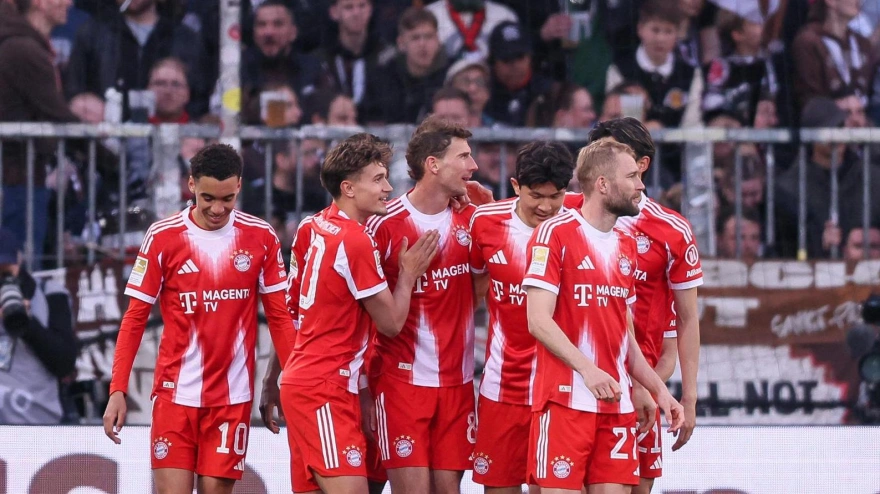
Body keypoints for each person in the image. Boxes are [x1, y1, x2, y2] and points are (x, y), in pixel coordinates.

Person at [102, 144, 296, 494]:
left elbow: (281, 318)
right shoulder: (163, 237)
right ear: (191, 184)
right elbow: (134, 319)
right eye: (208, 198)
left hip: (231, 399)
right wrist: (118, 389)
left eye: (227, 198)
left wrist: (288, 385)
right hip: (174, 396)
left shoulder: (261, 237)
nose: (217, 208)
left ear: (239, 186)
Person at [279, 133, 440, 494]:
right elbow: (391, 324)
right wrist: (409, 274)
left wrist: (275, 377)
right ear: (348, 188)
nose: (388, 188)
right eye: (378, 179)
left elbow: (293, 311)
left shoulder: (312, 225)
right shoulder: (355, 240)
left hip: (308, 381)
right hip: (325, 388)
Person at [523, 138, 684, 493]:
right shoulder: (554, 234)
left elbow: (623, 337)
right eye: (631, 176)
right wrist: (588, 370)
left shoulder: (626, 245)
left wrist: (659, 391)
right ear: (602, 184)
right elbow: (538, 320)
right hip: (565, 401)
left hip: (616, 407)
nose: (641, 185)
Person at [570, 118, 703, 494]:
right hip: (574, 382)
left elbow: (686, 321)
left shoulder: (671, 230)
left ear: (641, 165)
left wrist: (685, 397)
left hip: (640, 387)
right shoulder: (565, 215)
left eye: (611, 151)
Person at [363, 115, 479, 493]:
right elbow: (362, 311)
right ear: (433, 164)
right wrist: (362, 387)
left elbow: (480, 289)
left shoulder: (474, 220)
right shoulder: (383, 225)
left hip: (458, 383)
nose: (474, 165)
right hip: (401, 384)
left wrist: (493, 209)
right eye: (463, 156)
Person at [469, 141, 575, 494]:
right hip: (504, 386)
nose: (546, 206)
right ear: (515, 186)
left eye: (556, 196)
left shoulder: (580, 224)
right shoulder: (485, 222)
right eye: (536, 196)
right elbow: (474, 287)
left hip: (561, 389)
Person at [0, 0, 78, 265]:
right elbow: (58, 113)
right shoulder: (22, 49)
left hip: (26, 175)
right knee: (19, 273)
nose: (69, 3)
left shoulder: (26, 45)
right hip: (17, 180)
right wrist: (111, 161)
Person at [65, 0, 208, 118]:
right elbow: (73, 89)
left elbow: (199, 100)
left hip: (170, 137)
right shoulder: (92, 33)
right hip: (105, 137)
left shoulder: (184, 38)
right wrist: (83, 103)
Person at [0, 228, 78, 424]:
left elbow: (64, 364)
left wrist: (25, 323)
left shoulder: (50, 294)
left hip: (38, 424)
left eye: (5, 271)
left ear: (19, 260)